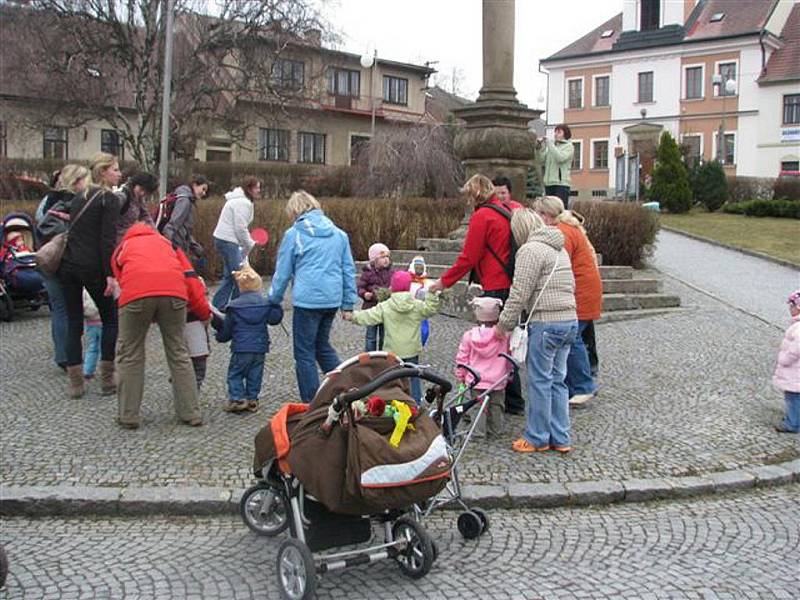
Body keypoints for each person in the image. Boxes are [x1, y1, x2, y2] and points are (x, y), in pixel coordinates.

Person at [430, 174, 525, 415]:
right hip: (508, 282)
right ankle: (511, 400)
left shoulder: (483, 216)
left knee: (491, 345)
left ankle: (493, 401)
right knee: (505, 342)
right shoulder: (504, 210)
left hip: (493, 284)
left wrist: (443, 282)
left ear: (475, 195)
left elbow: (469, 257)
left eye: (468, 196)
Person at [111, 223, 210, 430]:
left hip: (136, 297)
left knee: (130, 353)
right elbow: (190, 278)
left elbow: (121, 279)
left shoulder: (123, 247)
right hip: (174, 295)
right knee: (179, 352)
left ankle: (128, 415)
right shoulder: (168, 244)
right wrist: (203, 313)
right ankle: (191, 412)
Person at [495, 209, 578, 454]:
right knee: (558, 382)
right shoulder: (559, 249)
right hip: (569, 321)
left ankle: (537, 438)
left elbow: (519, 293)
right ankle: (561, 437)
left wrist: (503, 325)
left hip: (546, 323)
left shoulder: (529, 251)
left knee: (540, 382)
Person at [268, 190, 357, 403]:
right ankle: (345, 387)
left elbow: (283, 272)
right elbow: (348, 269)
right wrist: (348, 302)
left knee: (304, 353)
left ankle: (312, 402)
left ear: (295, 210)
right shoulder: (339, 234)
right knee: (322, 346)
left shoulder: (294, 234)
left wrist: (273, 298)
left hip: (307, 300)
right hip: (331, 300)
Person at [58, 152, 121, 399]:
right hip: (93, 267)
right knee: (110, 319)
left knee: (74, 322)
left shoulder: (80, 197)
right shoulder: (108, 199)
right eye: (115, 169)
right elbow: (107, 240)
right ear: (103, 172)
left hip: (68, 266)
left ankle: (76, 384)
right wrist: (111, 275)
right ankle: (107, 379)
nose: (119, 173)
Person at [532, 196, 602, 407]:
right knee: (575, 338)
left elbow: (557, 264)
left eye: (538, 214)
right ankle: (577, 384)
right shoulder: (569, 227)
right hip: (585, 290)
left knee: (573, 340)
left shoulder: (562, 232)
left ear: (545, 215)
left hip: (579, 293)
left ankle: (583, 386)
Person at [348, 270, 440, 403]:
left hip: (392, 351)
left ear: (393, 287)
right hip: (411, 349)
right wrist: (431, 294)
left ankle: (391, 401)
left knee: (391, 379)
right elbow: (431, 309)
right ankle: (415, 404)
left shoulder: (386, 306)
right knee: (413, 377)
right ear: (408, 287)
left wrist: (352, 316)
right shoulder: (416, 305)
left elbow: (368, 316)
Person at [35, 165, 89, 372]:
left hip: (48, 260)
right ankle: (71, 356)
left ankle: (62, 355)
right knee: (70, 309)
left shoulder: (48, 199)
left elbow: (39, 222)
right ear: (77, 182)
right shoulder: (73, 201)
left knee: (59, 309)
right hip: (65, 261)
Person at [215, 264, 283, 413]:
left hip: (241, 347)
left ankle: (238, 398)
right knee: (255, 373)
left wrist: (220, 337)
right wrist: (276, 305)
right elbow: (274, 319)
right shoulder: (265, 304)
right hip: (260, 347)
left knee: (235, 373)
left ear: (240, 287)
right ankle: (253, 398)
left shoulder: (234, 307)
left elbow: (227, 329)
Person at [455, 296, 511, 439]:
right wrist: (509, 372)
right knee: (496, 405)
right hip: (497, 379)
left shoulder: (469, 336)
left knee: (478, 406)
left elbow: (463, 357)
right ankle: (495, 429)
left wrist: (461, 375)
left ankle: (478, 432)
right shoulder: (503, 336)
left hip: (476, 379)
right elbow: (509, 355)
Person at [212, 176, 260, 310]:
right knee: (241, 278)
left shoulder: (238, 200)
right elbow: (240, 228)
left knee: (230, 276)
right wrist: (249, 243)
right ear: (249, 189)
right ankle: (238, 308)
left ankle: (218, 306)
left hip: (224, 240)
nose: (259, 190)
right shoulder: (242, 203)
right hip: (229, 241)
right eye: (256, 187)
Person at [163, 175, 209, 269]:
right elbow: (173, 225)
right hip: (177, 245)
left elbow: (184, 228)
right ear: (195, 185)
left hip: (179, 243)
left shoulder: (185, 198)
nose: (204, 193)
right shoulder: (185, 201)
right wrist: (171, 245)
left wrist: (195, 247)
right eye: (203, 189)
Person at [357, 242, 394, 351]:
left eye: (387, 257)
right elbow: (360, 287)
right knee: (371, 335)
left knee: (384, 335)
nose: (386, 259)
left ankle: (383, 354)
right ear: (374, 260)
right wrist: (364, 294)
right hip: (371, 308)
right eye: (382, 257)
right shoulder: (367, 274)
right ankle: (370, 354)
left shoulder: (391, 273)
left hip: (386, 309)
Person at [772, 290, 800, 434]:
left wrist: (784, 360)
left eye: (791, 306)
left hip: (795, 372)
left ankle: (793, 423)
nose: (790, 309)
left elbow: (796, 350)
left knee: (793, 397)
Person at [115, 171, 158, 244]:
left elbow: (145, 216)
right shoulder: (122, 196)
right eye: (141, 189)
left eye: (146, 192)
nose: (142, 193)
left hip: (129, 239)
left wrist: (156, 235)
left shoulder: (138, 198)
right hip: (117, 240)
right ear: (136, 184)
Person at [185, 276, 212, 390]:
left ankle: (181, 379)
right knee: (199, 363)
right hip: (196, 328)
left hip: (178, 327)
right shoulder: (194, 280)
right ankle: (194, 385)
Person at [540, 124, 575, 209]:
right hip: (549, 183)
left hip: (561, 184)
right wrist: (539, 148)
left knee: (559, 211)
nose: (555, 134)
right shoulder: (552, 146)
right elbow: (541, 160)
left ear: (565, 134)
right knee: (548, 210)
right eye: (555, 132)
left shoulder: (569, 146)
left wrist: (549, 144)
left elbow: (560, 158)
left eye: (559, 132)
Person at [82, 289, 102, 380]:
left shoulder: (84, 290)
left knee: (92, 347)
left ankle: (87, 370)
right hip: (104, 321)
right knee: (105, 347)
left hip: (90, 322)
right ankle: (107, 370)